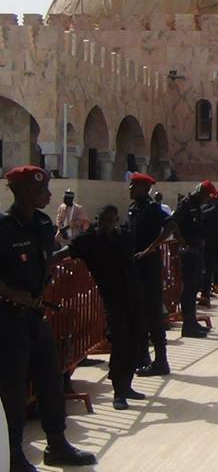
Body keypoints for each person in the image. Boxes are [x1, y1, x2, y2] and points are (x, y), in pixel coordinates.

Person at [0, 166, 98, 470]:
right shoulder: (3, 227)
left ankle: (56, 444)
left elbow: (46, 260)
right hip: (8, 318)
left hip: (35, 315)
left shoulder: (42, 224)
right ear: (25, 192)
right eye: (43, 190)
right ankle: (14, 455)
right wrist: (12, 294)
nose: (50, 195)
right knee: (13, 390)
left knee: (51, 381)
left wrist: (73, 251)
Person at [69, 205, 148, 410]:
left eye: (111, 220)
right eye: (104, 220)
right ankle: (119, 392)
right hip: (112, 298)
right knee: (121, 341)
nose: (107, 224)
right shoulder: (90, 240)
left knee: (136, 340)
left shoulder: (125, 236)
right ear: (98, 219)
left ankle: (127, 385)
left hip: (134, 295)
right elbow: (69, 251)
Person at [128, 173, 177, 378]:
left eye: (134, 186)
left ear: (143, 188)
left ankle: (161, 360)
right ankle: (142, 357)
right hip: (136, 268)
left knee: (153, 315)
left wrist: (151, 248)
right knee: (139, 314)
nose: (130, 188)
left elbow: (170, 226)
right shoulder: (134, 210)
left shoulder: (153, 209)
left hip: (149, 268)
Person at [170, 181, 217, 338]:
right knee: (189, 288)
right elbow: (173, 222)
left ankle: (192, 322)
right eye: (207, 197)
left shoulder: (196, 206)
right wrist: (182, 242)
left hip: (197, 251)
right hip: (188, 252)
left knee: (195, 286)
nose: (207, 201)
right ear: (201, 193)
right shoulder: (186, 204)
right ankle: (188, 325)